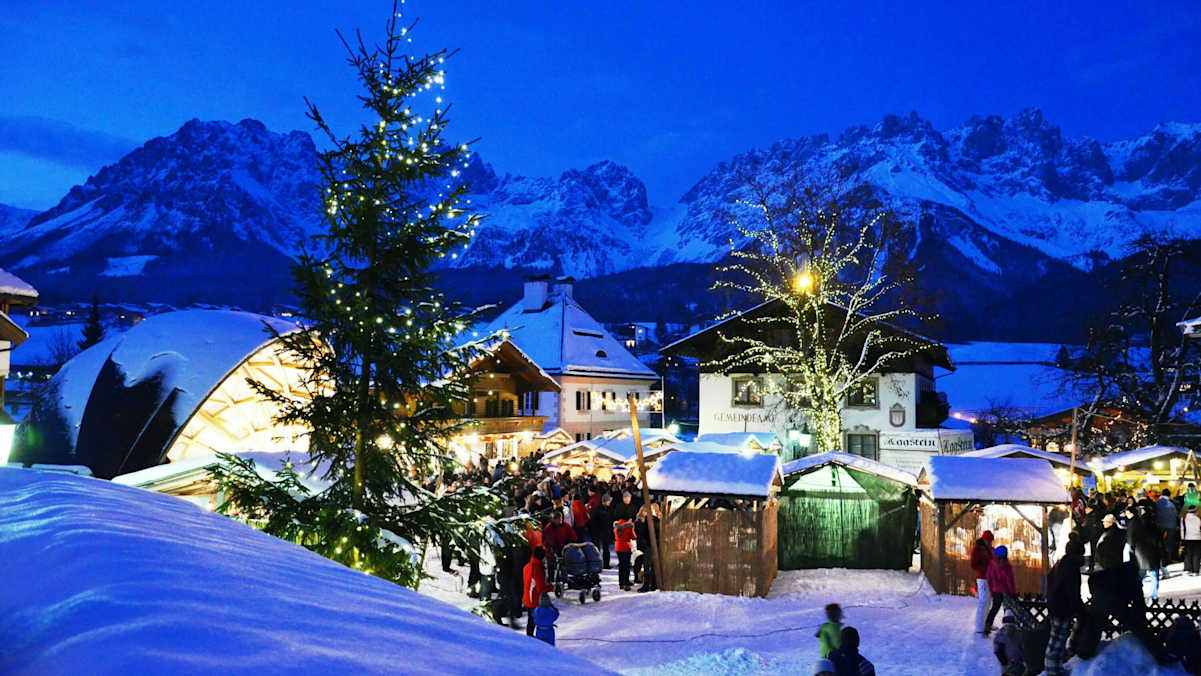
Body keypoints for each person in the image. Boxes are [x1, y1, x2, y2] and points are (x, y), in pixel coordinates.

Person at [1045, 539, 1086, 676]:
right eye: (1082, 554)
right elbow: (1072, 592)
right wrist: (1080, 610)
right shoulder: (1071, 568)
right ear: (1077, 554)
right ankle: (1052, 671)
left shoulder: (1062, 563)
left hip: (1056, 605)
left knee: (1058, 640)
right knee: (1056, 643)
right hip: (1061, 608)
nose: (1083, 557)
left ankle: (1056, 667)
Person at [983, 545, 1017, 635]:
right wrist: (1013, 593)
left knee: (994, 609)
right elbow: (1010, 581)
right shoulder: (1007, 566)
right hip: (1006, 592)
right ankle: (1008, 628)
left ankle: (987, 627)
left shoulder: (991, 565)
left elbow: (989, 578)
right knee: (1008, 610)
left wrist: (991, 591)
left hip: (996, 591)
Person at [522, 547, 550, 638]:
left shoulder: (527, 566)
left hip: (528, 596)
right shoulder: (538, 568)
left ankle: (530, 637)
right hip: (534, 598)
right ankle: (532, 638)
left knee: (531, 620)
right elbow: (540, 587)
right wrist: (551, 587)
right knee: (536, 620)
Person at [970, 530, 994, 636]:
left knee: (988, 601)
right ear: (984, 540)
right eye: (989, 541)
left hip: (989, 577)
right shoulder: (977, 549)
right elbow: (973, 564)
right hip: (982, 577)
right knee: (983, 600)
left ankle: (986, 623)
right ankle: (979, 625)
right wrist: (985, 568)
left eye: (991, 541)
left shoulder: (989, 549)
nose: (990, 543)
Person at [589, 493, 615, 569]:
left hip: (603, 532)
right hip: (601, 531)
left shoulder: (600, 509)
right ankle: (601, 564)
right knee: (600, 549)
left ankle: (603, 564)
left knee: (603, 549)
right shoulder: (606, 509)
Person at [1160, 488, 1181, 570]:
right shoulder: (1172, 503)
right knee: (1169, 543)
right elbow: (1176, 514)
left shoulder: (1157, 502)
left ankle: (1162, 559)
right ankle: (1168, 559)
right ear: (1169, 495)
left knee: (1161, 543)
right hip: (1171, 526)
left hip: (1160, 526)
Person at [614, 515, 636, 590]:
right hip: (626, 547)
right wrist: (632, 529)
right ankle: (626, 582)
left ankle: (621, 583)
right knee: (626, 565)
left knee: (621, 565)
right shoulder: (629, 527)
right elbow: (634, 537)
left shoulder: (616, 526)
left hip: (618, 547)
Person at [1184, 505, 1201, 575]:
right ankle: (1196, 570)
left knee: (1188, 553)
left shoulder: (1184, 518)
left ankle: (1189, 569)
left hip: (1187, 537)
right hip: (1197, 537)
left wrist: (1182, 538)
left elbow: (1183, 529)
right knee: (1196, 554)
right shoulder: (1198, 518)